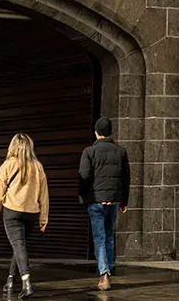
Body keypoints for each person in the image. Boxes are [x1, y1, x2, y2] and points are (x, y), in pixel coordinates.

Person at [0, 133, 49, 296]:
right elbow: (44, 194)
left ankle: (26, 283)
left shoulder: (7, 165)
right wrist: (43, 217)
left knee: (19, 246)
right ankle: (10, 280)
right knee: (19, 246)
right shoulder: (38, 166)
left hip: (12, 211)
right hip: (31, 213)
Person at [78, 116, 130, 291]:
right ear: (110, 133)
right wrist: (124, 201)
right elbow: (126, 179)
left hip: (96, 201)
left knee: (99, 238)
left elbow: (84, 177)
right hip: (114, 200)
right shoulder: (121, 152)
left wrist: (83, 196)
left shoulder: (89, 152)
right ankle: (108, 269)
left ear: (96, 133)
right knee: (109, 236)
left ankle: (104, 274)